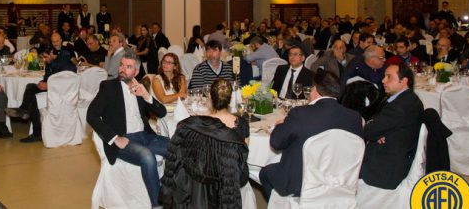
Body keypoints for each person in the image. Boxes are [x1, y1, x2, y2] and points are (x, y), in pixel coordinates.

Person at [259, 70, 364, 200]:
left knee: (265, 173)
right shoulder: (354, 117)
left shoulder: (300, 113)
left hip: (300, 184)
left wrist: (280, 125)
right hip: (340, 181)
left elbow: (276, 143)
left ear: (314, 89)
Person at [87, 55, 169, 208]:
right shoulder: (108, 87)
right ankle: (157, 205)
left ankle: (169, 190)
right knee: (147, 157)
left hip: (145, 136)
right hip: (125, 140)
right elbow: (91, 115)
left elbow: (162, 113)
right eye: (121, 65)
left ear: (136, 71)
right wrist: (114, 138)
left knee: (177, 147)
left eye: (128, 67)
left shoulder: (140, 87)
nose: (122, 69)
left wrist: (146, 95)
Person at [160, 79, 249, 208]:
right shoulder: (242, 124)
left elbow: (176, 157)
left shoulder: (192, 124)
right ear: (230, 99)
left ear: (210, 97)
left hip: (195, 180)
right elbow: (242, 159)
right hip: (227, 181)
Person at [360, 63, 424, 190]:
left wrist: (374, 130)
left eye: (389, 77)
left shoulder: (400, 107)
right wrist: (377, 133)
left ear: (403, 81)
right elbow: (375, 125)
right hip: (397, 156)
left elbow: (368, 131)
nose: (383, 80)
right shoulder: (409, 99)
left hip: (385, 170)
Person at [5, 44, 77, 143]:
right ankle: (24, 111)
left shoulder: (65, 62)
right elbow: (48, 77)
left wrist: (49, 85)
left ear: (52, 53)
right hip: (52, 87)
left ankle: (35, 130)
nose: (43, 59)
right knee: (30, 86)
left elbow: (70, 80)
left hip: (62, 92)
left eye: (45, 56)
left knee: (34, 99)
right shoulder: (50, 62)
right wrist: (43, 82)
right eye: (42, 57)